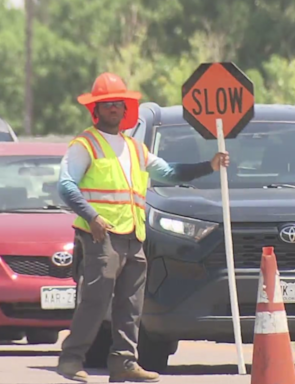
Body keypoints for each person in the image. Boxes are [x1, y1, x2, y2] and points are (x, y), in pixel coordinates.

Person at [55, 72, 229, 383]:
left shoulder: (135, 148)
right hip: (101, 235)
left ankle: (123, 362)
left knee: (131, 304)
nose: (113, 109)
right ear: (95, 110)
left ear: (126, 110)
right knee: (96, 299)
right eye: (106, 104)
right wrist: (92, 217)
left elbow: (170, 172)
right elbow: (66, 186)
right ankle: (71, 359)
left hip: (134, 235)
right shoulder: (85, 145)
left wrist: (209, 166)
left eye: (118, 104)